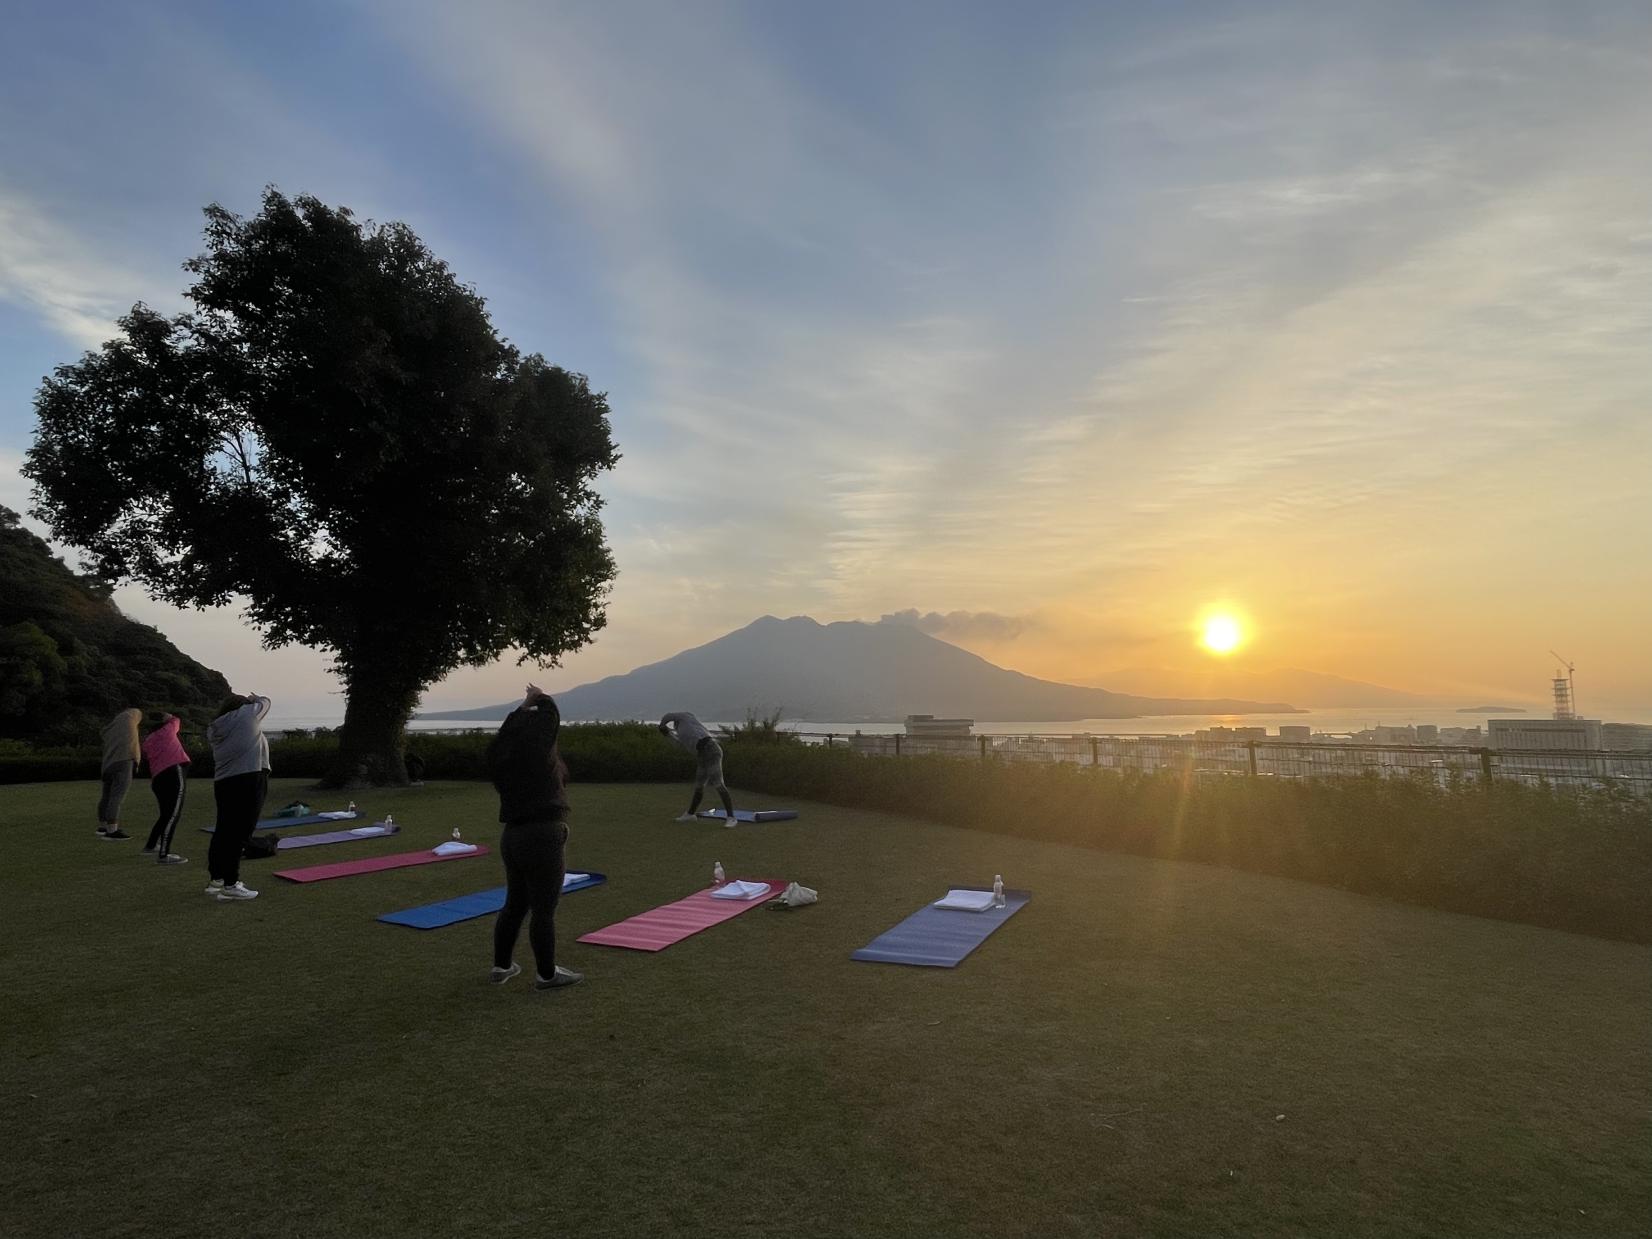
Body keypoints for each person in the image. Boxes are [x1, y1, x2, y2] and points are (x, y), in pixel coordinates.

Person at [486, 685, 581, 990]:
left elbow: (506, 733)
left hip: (512, 835)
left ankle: (502, 967)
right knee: (543, 909)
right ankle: (547, 974)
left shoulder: (503, 758)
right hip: (543, 833)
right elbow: (551, 718)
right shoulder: (539, 755)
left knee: (515, 904)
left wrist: (523, 707)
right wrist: (541, 699)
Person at [205, 693, 271, 901]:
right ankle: (231, 884)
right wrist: (256, 698)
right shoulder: (245, 715)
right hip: (249, 779)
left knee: (224, 830)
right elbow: (266, 702)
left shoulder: (216, 726)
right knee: (240, 832)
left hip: (225, 782)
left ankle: (217, 878)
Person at [658, 711, 737, 826]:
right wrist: (667, 734)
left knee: (718, 783)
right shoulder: (681, 733)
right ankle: (690, 814)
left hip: (711, 750)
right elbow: (678, 745)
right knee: (699, 786)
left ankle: (731, 818)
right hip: (701, 756)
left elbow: (668, 716)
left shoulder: (685, 717)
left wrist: (661, 724)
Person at [140, 713, 191, 865]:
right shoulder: (166, 731)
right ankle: (164, 854)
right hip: (173, 773)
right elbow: (176, 720)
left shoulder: (147, 742)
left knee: (165, 815)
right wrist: (168, 717)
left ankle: (150, 846)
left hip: (157, 780)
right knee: (173, 815)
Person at [96, 708, 141, 840]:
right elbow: (133, 745)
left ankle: (102, 826)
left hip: (108, 765)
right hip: (124, 761)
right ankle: (112, 830)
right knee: (117, 797)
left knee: (106, 796)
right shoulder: (130, 723)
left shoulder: (112, 728)